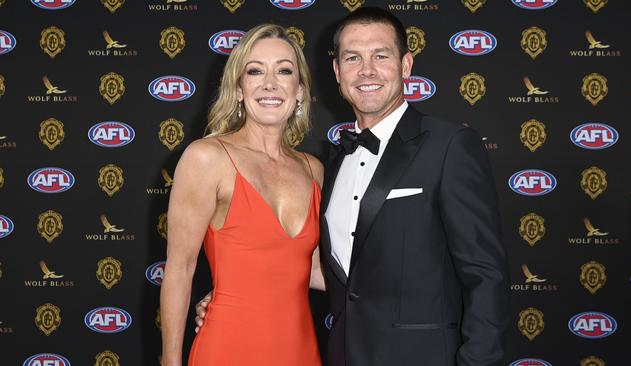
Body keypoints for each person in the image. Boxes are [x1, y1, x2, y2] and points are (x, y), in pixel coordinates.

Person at [197, 7, 510, 366]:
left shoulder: (450, 145)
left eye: (381, 55)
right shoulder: (329, 165)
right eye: (352, 58)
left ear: (406, 65)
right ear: (337, 71)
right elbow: (330, 271)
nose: (367, 71)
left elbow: (486, 276)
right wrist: (229, 298)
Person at [160, 24, 325, 366]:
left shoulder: (314, 170)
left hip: (301, 352)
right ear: (237, 88)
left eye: (284, 70)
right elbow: (180, 269)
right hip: (228, 349)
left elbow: (313, 271)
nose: (269, 83)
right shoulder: (207, 158)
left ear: (300, 90)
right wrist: (171, 362)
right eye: (254, 71)